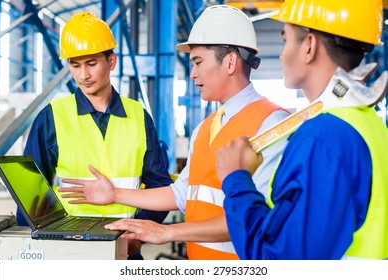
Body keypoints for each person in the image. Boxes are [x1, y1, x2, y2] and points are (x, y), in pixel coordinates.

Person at [58, 5, 290, 260]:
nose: (192, 74)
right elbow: (181, 194)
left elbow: (256, 217)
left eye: (198, 62)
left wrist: (167, 232)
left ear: (231, 62)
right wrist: (114, 194)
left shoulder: (272, 124)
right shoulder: (205, 127)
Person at [216, 0, 388, 259]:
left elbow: (281, 261)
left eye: (285, 40)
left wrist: (236, 178)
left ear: (309, 46)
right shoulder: (369, 123)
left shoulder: (322, 138)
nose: (281, 55)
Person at [17, 12, 172, 260]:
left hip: (125, 244)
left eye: (91, 63)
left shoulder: (139, 116)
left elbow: (160, 186)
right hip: (67, 248)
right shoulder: (52, 117)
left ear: (111, 61)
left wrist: (138, 234)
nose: (83, 75)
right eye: (75, 65)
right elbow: (30, 197)